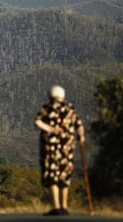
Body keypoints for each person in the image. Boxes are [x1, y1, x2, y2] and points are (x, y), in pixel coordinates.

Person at [34, 85, 85, 216]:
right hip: (67, 149)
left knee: (52, 176)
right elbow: (79, 125)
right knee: (64, 174)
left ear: (51, 95)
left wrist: (50, 129)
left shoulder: (48, 108)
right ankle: (64, 206)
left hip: (50, 148)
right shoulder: (70, 109)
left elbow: (37, 122)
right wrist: (81, 137)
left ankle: (56, 207)